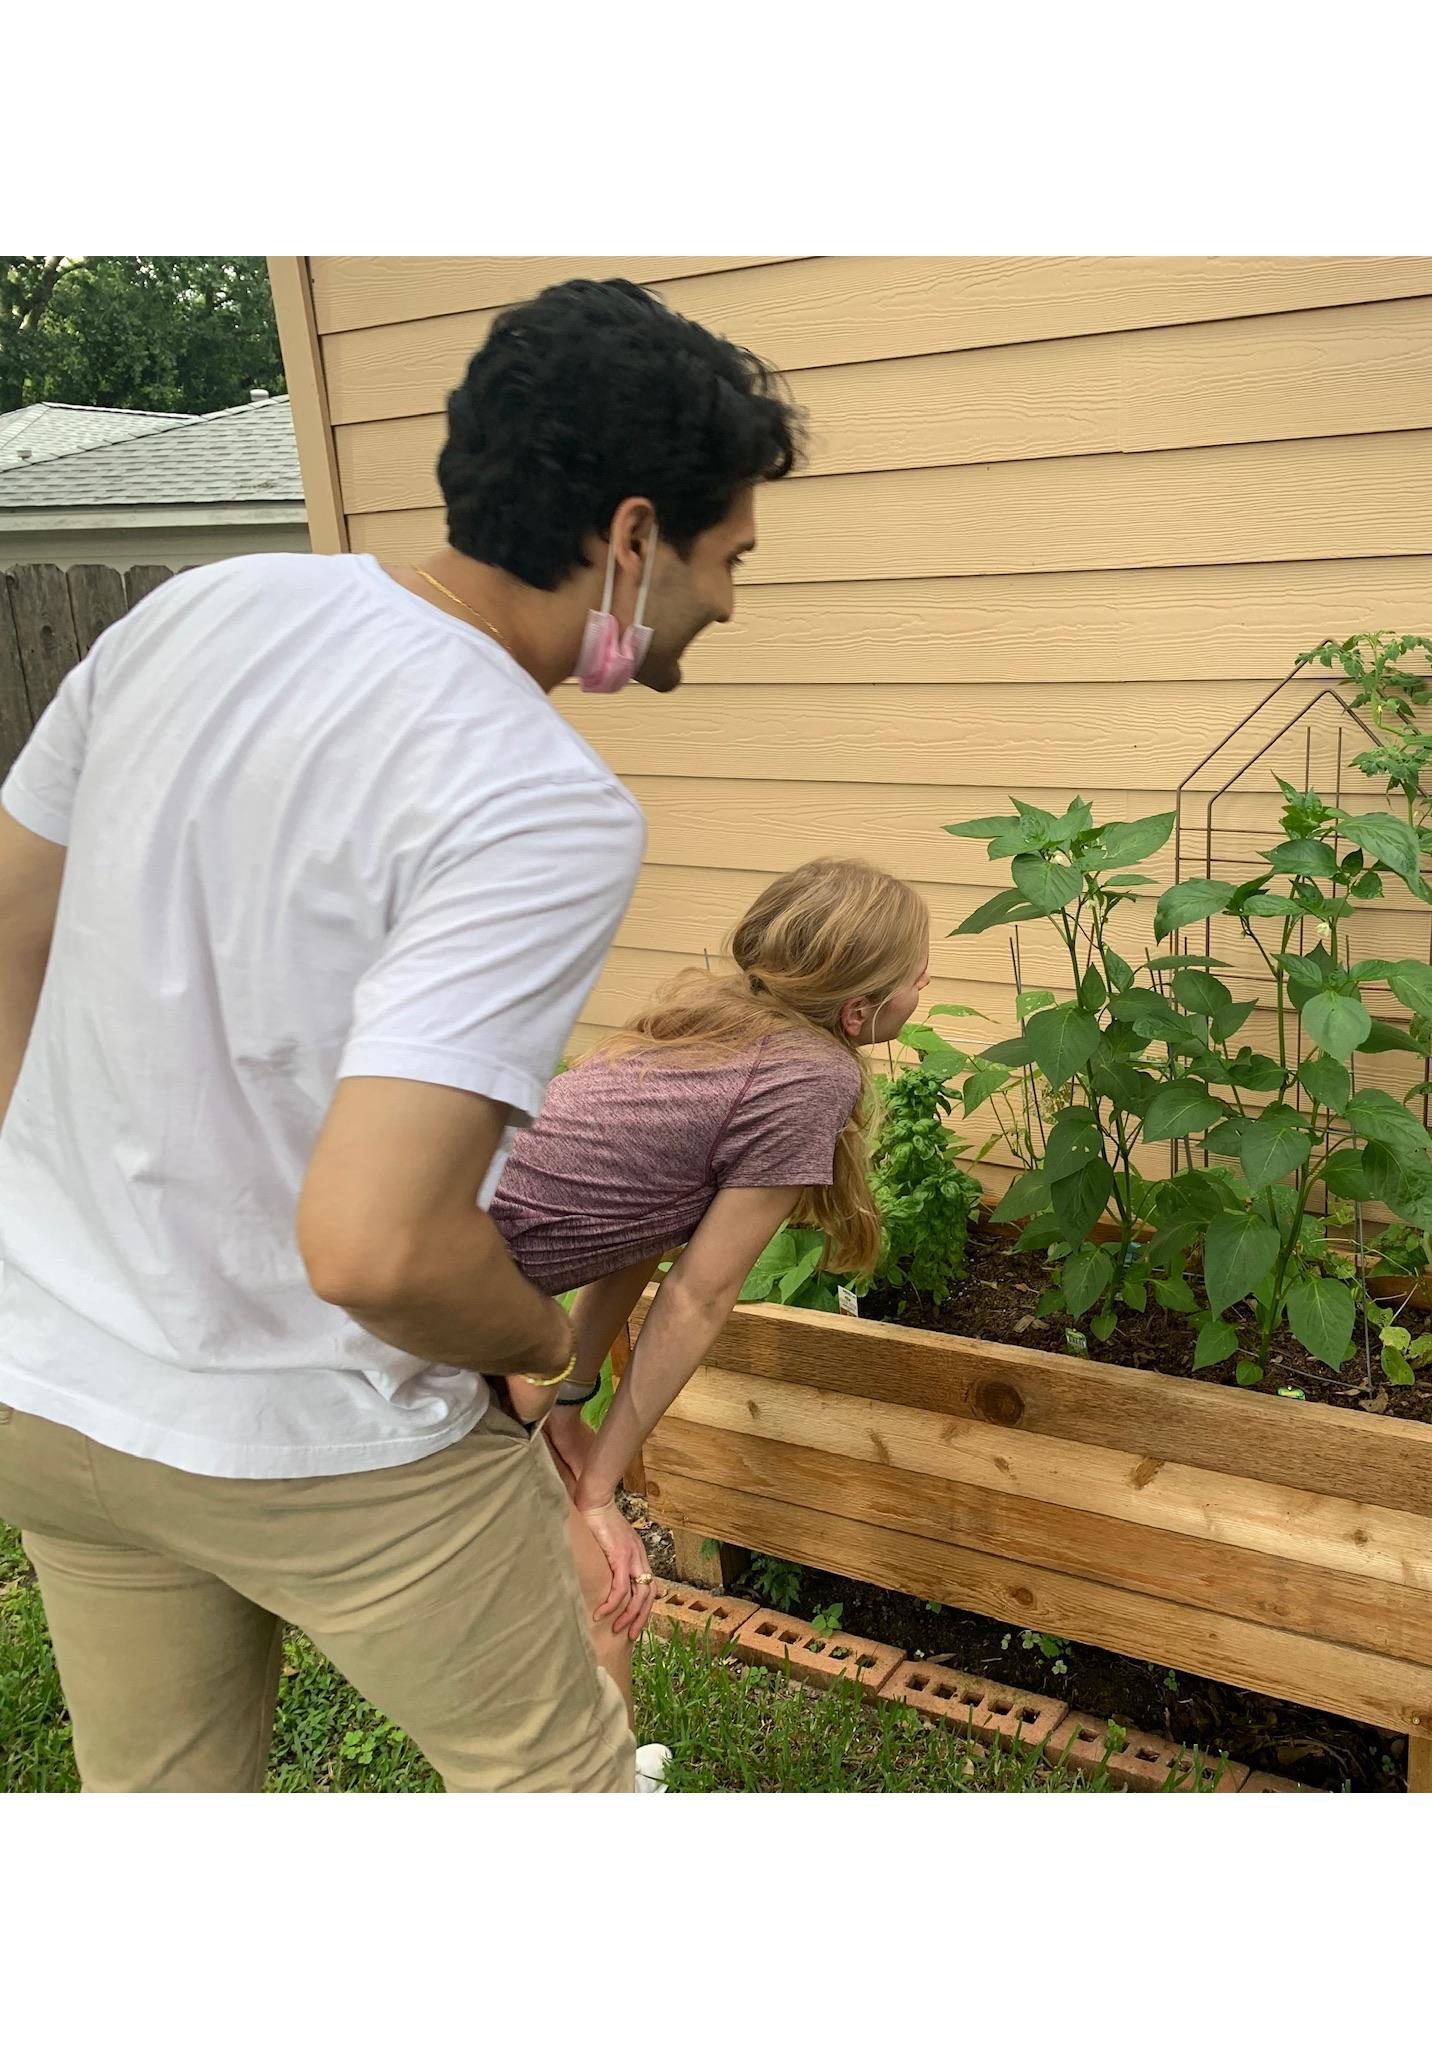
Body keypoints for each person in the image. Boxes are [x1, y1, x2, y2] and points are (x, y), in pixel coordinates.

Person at [0, 278, 800, 1792]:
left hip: (50, 1389)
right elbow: (378, 1251)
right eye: (731, 557)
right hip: (323, 1435)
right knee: (557, 1789)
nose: (731, 603)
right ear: (632, 539)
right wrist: (540, 1350)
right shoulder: (539, 797)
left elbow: (6, 931)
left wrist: (48, 1233)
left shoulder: (199, 610)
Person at [486, 859, 932, 1760]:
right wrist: (602, 1491)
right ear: (858, 1012)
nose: (925, 986)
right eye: (916, 976)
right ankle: (606, 1789)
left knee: (572, 1573)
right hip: (445, 1321)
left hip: (463, 1297)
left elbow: (636, 1236)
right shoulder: (809, 1074)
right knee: (604, 1591)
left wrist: (570, 1407)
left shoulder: (712, 1020)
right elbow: (697, 1295)